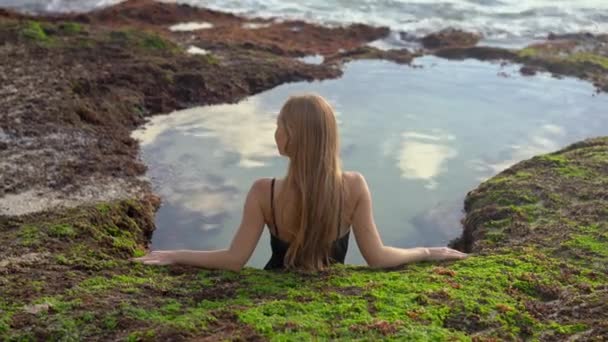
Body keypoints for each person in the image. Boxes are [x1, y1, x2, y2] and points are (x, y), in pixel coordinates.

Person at [133, 94, 468, 271]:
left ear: (290, 136)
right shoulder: (354, 185)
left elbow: (234, 260)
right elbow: (377, 257)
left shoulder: (264, 191)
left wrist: (173, 255)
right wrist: (425, 251)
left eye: (279, 124)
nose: (274, 132)